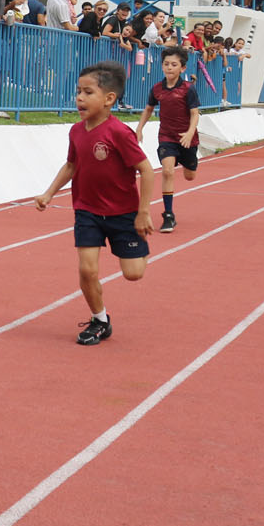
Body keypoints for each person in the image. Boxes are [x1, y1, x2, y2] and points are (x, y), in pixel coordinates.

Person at [34, 60, 157, 346]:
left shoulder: (119, 132)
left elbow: (147, 170)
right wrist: (48, 193)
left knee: (134, 274)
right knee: (87, 270)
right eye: (78, 91)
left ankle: (134, 247)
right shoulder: (76, 131)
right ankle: (99, 319)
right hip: (87, 210)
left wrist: (143, 213)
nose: (79, 98)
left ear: (109, 99)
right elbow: (71, 165)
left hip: (123, 213)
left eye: (88, 92)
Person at [135, 45, 200, 235]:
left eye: (173, 64)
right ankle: (169, 214)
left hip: (187, 139)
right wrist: (139, 128)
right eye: (166, 64)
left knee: (190, 176)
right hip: (166, 136)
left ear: (183, 68)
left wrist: (189, 133)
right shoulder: (157, 89)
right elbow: (148, 109)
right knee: (167, 172)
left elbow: (195, 114)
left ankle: (188, 162)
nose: (169, 68)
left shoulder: (188, 89)